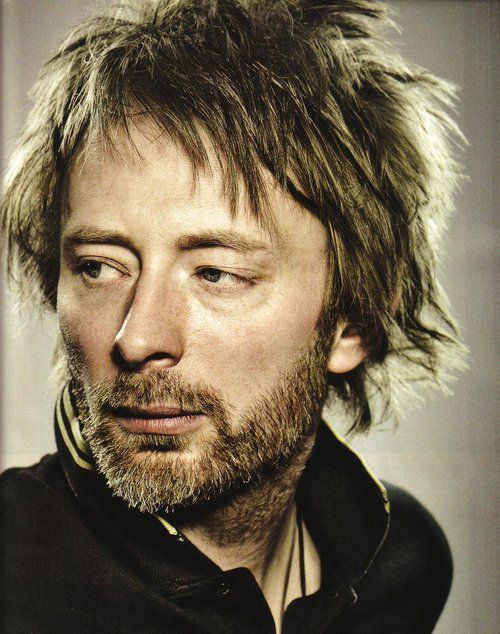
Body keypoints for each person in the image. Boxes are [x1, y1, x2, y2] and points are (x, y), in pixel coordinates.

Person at [0, 1, 465, 632]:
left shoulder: (402, 562)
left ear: (352, 323)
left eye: (216, 273)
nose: (136, 338)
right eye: (100, 267)